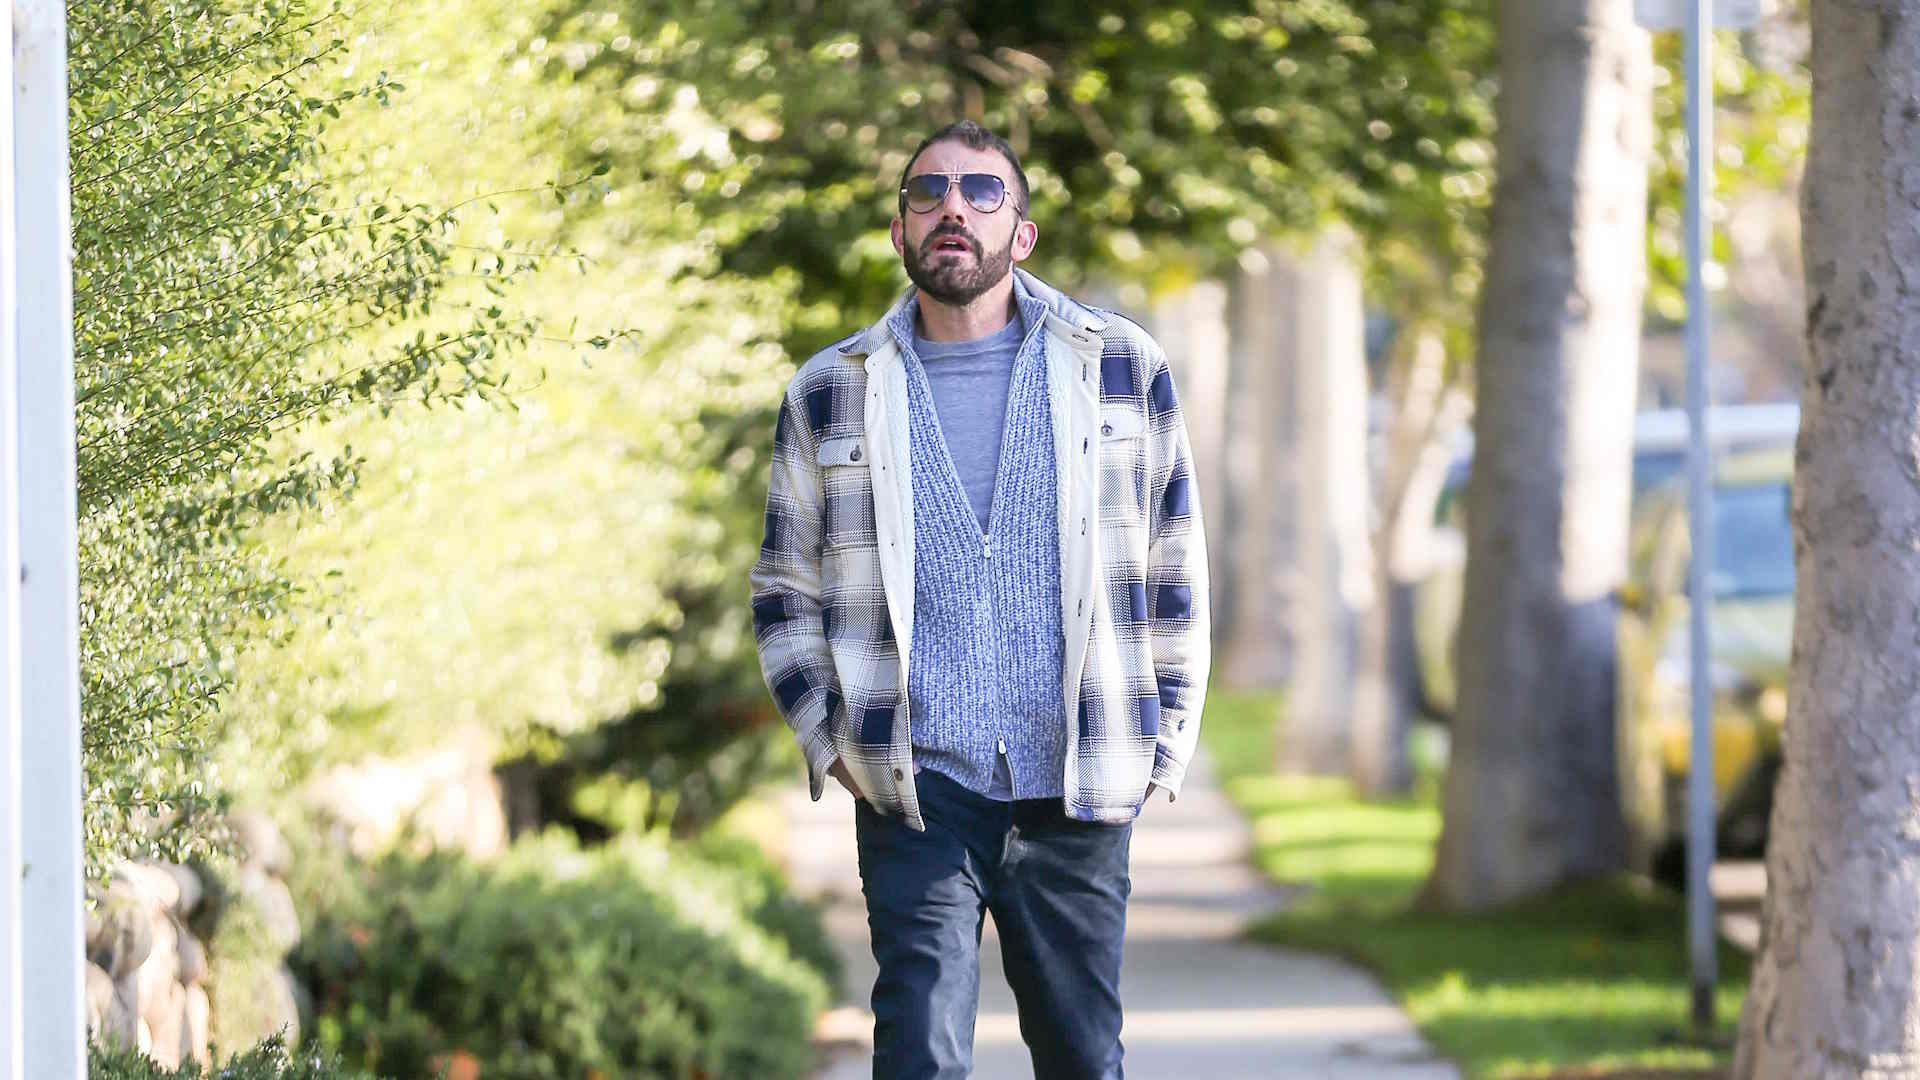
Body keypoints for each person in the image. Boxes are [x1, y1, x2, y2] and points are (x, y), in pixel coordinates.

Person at [748, 120, 1211, 1080]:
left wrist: (1162, 745)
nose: (952, 207)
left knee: (1083, 1060)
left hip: (1078, 781)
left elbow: (1174, 565)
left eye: (982, 191)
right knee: (917, 1056)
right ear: (900, 231)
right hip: (917, 787)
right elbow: (784, 588)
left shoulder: (1120, 366)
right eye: (929, 193)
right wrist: (832, 743)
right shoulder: (831, 390)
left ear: (1021, 234)